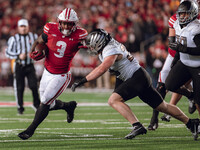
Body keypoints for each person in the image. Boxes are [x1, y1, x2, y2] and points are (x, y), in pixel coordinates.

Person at [71, 28, 200, 140]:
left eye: (93, 46)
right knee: (162, 106)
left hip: (136, 77)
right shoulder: (107, 44)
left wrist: (83, 80)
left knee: (113, 100)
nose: (91, 49)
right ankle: (191, 123)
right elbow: (84, 45)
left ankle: (137, 125)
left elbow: (102, 69)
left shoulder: (110, 50)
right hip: (136, 76)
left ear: (100, 43)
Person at [18, 8, 88, 140]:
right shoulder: (50, 28)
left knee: (44, 102)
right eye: (64, 23)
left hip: (62, 75)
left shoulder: (81, 35)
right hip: (47, 72)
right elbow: (40, 40)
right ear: (59, 22)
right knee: (48, 103)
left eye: (69, 23)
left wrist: (92, 47)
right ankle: (68, 106)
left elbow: (92, 46)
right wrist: (33, 51)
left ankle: (30, 130)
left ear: (75, 24)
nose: (66, 26)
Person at [148, 10, 196, 130]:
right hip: (175, 55)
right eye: (182, 12)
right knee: (162, 85)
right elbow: (172, 42)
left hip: (193, 58)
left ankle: (192, 97)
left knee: (189, 86)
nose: (183, 15)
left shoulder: (197, 23)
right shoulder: (174, 19)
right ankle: (154, 118)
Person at [165, 0, 200, 122]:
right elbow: (180, 44)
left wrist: (184, 49)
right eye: (181, 14)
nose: (182, 16)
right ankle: (190, 95)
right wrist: (176, 58)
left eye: (185, 14)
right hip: (184, 63)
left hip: (197, 66)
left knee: (199, 99)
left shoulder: (196, 28)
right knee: (169, 84)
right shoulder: (176, 25)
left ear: (193, 13)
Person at [5, 19, 40, 114]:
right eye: (21, 26)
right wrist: (18, 55)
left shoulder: (34, 36)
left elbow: (39, 48)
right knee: (19, 88)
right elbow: (7, 52)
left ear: (28, 27)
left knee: (34, 86)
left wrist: (35, 54)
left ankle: (36, 104)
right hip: (19, 65)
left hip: (30, 65)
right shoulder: (14, 38)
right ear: (18, 28)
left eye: (25, 26)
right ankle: (20, 107)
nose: (23, 28)